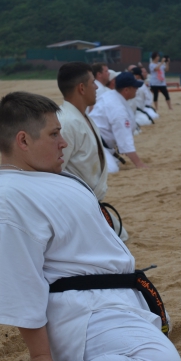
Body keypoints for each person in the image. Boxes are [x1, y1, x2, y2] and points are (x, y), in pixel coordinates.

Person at [0, 91, 181, 361]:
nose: (64, 143)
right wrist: (41, 357)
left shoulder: (48, 177)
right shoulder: (4, 203)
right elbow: (21, 285)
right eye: (54, 134)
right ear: (23, 140)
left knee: (160, 338)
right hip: (81, 315)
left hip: (111, 299)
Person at [56, 62, 129, 241]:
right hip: (76, 207)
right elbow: (54, 172)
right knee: (117, 242)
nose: (96, 87)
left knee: (121, 236)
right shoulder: (66, 123)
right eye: (92, 83)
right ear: (81, 88)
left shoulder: (82, 117)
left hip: (89, 203)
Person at [90, 72, 148, 171]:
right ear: (126, 90)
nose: (137, 89)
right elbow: (124, 141)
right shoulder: (118, 109)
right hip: (93, 144)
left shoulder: (110, 95)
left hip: (97, 142)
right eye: (134, 87)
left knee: (114, 163)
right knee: (111, 169)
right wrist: (139, 164)